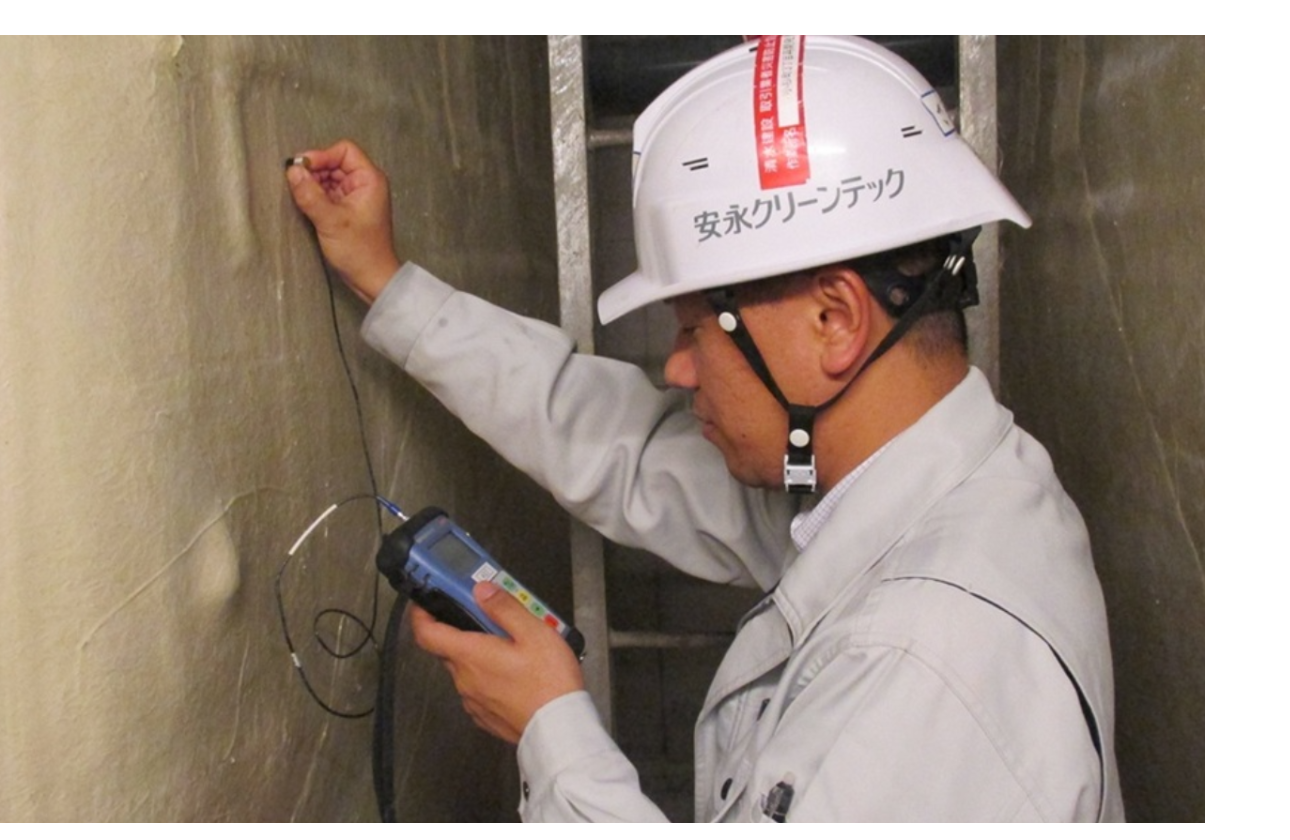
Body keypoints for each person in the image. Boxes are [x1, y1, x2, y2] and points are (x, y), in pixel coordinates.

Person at [286, 35, 1123, 822]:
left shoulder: (931, 667)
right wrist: (387, 283)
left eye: (694, 329)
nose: (679, 367)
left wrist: (554, 735)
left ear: (835, 320)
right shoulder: (920, 494)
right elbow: (628, 449)